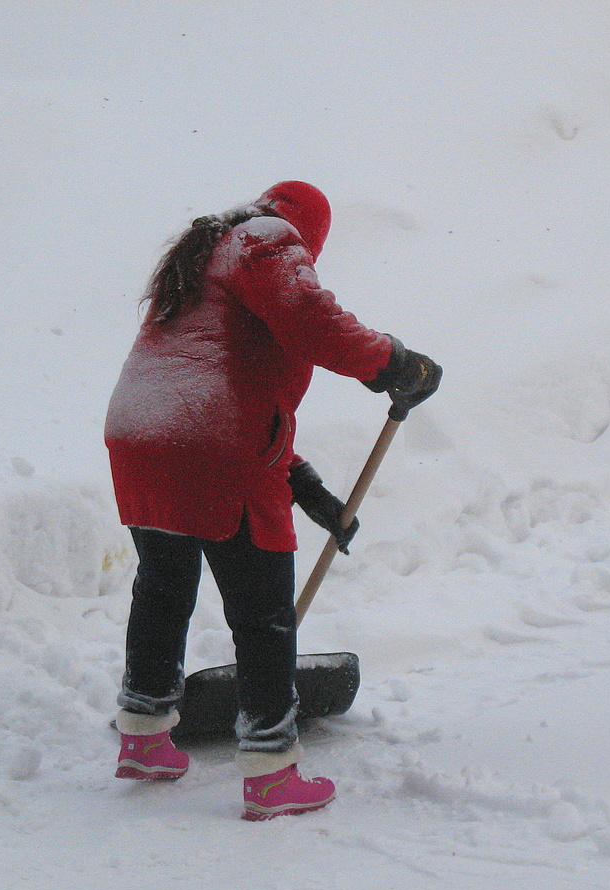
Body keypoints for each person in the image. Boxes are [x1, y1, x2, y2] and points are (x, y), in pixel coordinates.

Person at [104, 181, 440, 820]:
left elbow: (220, 386)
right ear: (312, 231)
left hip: (141, 432)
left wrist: (305, 488)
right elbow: (314, 323)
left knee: (162, 588)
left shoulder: (206, 257)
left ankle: (144, 738)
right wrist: (393, 363)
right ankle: (269, 768)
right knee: (263, 613)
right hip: (212, 438)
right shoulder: (266, 244)